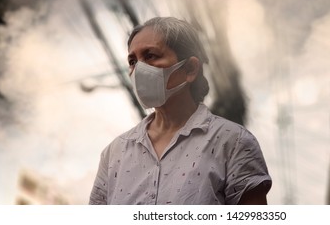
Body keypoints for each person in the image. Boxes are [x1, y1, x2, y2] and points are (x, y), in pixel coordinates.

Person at [89, 17, 271, 205]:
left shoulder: (233, 142)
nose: (138, 69)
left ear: (190, 69)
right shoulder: (115, 153)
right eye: (132, 61)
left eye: (151, 55)